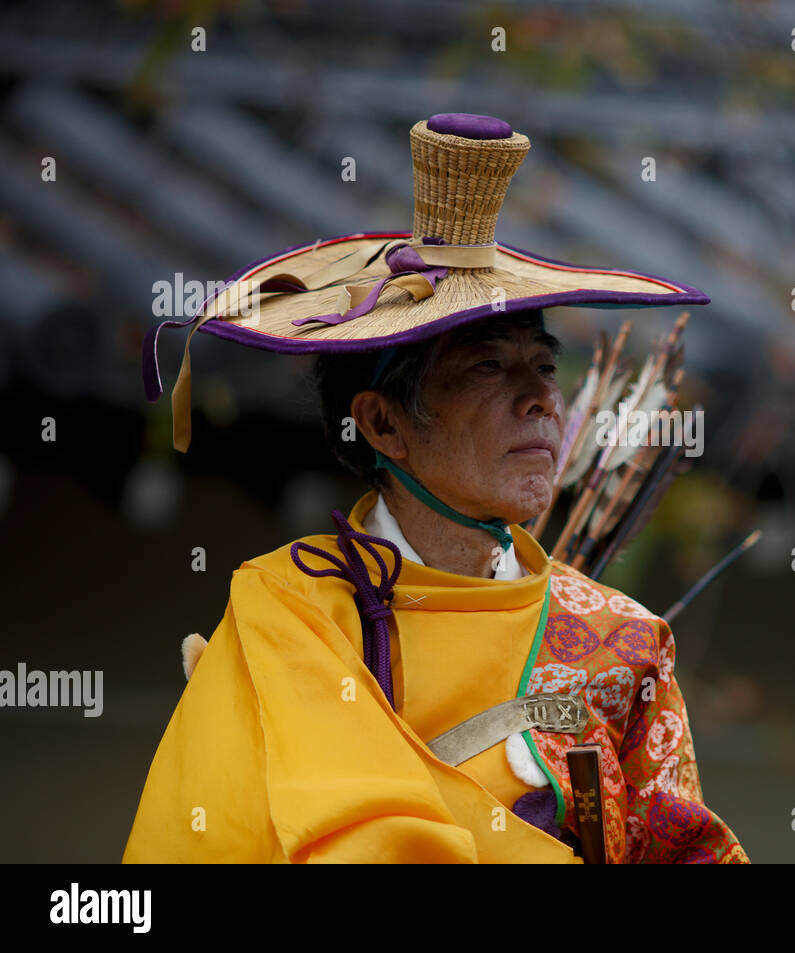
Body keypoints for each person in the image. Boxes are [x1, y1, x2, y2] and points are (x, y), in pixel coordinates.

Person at [124, 112, 748, 864]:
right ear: (384, 425)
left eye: (544, 367)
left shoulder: (621, 642)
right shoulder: (294, 613)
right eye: (488, 368)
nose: (541, 401)